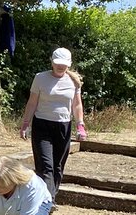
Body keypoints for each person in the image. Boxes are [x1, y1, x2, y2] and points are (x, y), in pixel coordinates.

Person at [18, 48, 86, 203]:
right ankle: (47, 202)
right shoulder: (40, 78)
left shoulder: (74, 81)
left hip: (63, 126)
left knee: (58, 166)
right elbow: (32, 102)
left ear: (69, 64)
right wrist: (25, 124)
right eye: (57, 63)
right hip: (42, 125)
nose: (60, 67)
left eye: (64, 64)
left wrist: (80, 125)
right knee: (45, 165)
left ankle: (49, 198)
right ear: (52, 61)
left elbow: (77, 105)